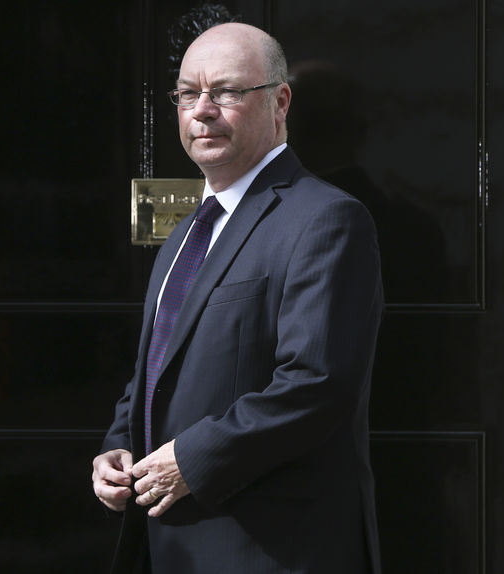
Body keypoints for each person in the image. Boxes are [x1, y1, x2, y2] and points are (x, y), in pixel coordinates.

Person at [92, 22, 384, 574]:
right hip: (168, 545)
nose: (201, 110)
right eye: (187, 93)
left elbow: (317, 384)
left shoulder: (326, 219)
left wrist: (190, 460)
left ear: (280, 101)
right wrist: (118, 447)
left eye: (225, 91)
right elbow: (159, 366)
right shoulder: (184, 234)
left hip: (267, 548)